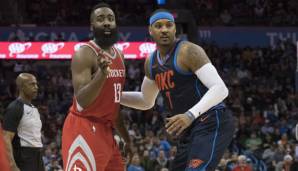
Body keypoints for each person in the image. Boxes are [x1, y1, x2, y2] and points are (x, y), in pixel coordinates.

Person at [120, 9, 235, 170]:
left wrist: (190, 115)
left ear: (175, 29)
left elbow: (221, 89)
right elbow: (146, 101)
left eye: (169, 25)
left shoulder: (188, 51)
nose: (164, 29)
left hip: (212, 120)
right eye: (158, 26)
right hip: (188, 129)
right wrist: (114, 95)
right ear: (150, 31)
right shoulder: (150, 62)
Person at [62, 3, 131, 171]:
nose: (107, 22)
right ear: (92, 25)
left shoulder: (120, 55)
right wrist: (102, 73)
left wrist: (126, 138)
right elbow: (82, 100)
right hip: (83, 127)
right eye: (100, 19)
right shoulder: (84, 53)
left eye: (111, 19)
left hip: (107, 131)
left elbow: (115, 105)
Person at [2, 73, 44, 171]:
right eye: (32, 84)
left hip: (37, 155)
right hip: (23, 157)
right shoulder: (14, 108)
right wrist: (12, 165)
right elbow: (6, 138)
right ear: (22, 87)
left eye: (36, 84)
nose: (36, 87)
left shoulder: (34, 109)